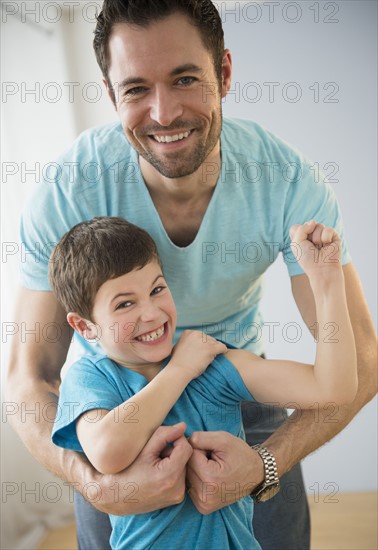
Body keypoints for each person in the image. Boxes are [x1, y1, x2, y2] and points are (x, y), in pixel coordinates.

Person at [6, 1, 376, 549]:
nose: (163, 113)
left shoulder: (287, 182)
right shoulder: (66, 192)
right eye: (135, 89)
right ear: (110, 96)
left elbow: (360, 362)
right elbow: (28, 377)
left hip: (235, 387)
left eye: (184, 78)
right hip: (111, 406)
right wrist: (97, 485)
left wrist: (266, 466)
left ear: (224, 73)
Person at [49, 216, 356, 550]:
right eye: (125, 304)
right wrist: (179, 370)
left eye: (156, 289)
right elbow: (108, 452)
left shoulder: (210, 365)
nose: (151, 312)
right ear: (85, 326)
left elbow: (332, 389)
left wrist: (327, 283)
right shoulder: (91, 378)